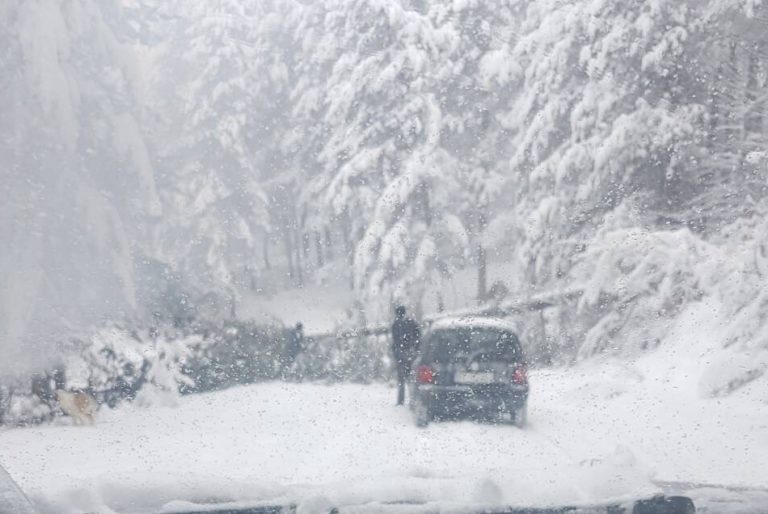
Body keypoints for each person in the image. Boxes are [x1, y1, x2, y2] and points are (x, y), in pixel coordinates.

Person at [391, 305, 420, 406]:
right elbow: (418, 336)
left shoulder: (395, 324)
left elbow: (395, 341)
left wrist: (396, 352)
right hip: (411, 353)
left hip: (400, 354)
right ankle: (413, 399)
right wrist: (416, 349)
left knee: (401, 379)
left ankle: (401, 400)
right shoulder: (411, 323)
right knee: (411, 378)